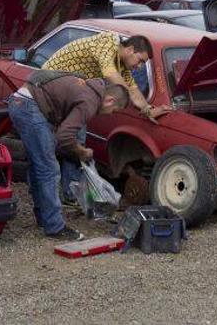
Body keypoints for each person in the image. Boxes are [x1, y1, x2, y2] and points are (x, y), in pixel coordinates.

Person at [41, 32, 171, 202]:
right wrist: (128, 96)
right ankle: (47, 194)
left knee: (74, 141)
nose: (139, 67)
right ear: (130, 50)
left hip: (71, 97)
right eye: (140, 61)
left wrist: (148, 110)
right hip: (49, 88)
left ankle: (69, 194)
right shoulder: (107, 41)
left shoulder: (122, 65)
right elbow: (110, 74)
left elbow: (132, 90)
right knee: (48, 145)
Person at [7, 70, 130, 241]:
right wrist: (81, 151)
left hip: (22, 102)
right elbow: (64, 137)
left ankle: (44, 217)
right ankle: (55, 227)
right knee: (49, 168)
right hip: (28, 106)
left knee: (39, 165)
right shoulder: (90, 101)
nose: (111, 113)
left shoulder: (88, 88)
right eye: (114, 110)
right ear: (110, 100)